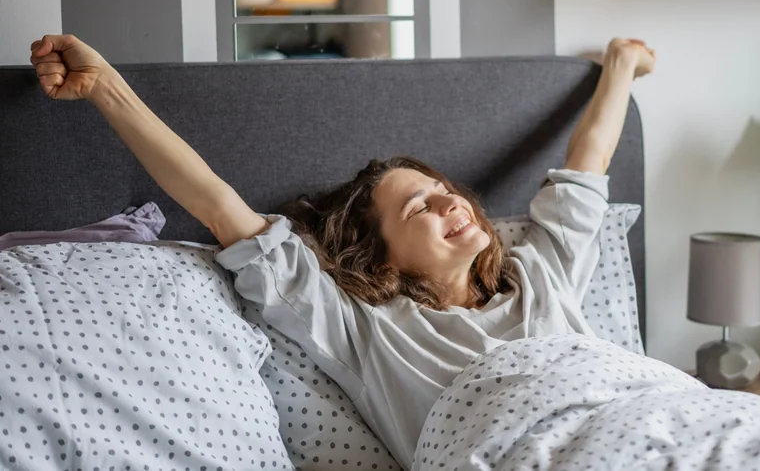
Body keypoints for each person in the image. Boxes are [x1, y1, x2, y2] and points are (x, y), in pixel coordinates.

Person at [28, 33, 655, 469]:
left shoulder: (541, 272)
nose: (450, 203)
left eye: (444, 190)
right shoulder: (366, 329)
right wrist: (105, 87)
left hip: (647, 417)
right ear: (380, 260)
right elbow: (218, 206)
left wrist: (621, 64)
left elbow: (588, 162)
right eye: (419, 208)